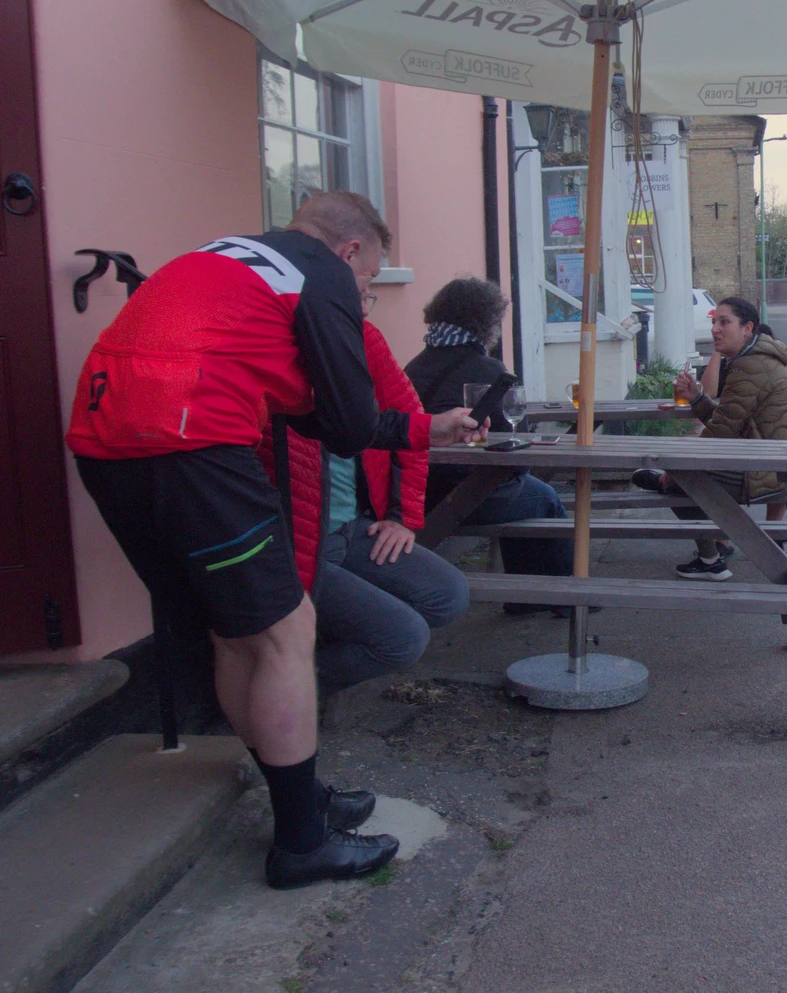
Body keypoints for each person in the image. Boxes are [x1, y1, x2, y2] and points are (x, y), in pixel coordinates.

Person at [66, 192, 482, 890]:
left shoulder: (217, 255)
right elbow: (348, 424)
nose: (364, 297)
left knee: (237, 636)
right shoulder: (313, 275)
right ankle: (301, 845)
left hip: (104, 444)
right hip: (192, 445)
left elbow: (304, 406)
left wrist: (411, 430)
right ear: (348, 251)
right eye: (370, 281)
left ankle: (301, 801)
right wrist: (415, 427)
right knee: (288, 631)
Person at [260, 292, 469, 705]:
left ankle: (302, 675)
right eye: (355, 293)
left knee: (448, 595)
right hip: (293, 543)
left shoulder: (366, 341)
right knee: (404, 637)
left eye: (369, 291)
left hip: (354, 526)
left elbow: (413, 427)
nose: (367, 306)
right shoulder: (269, 349)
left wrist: (401, 515)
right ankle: (274, 698)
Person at [404, 278, 574, 593]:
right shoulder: (487, 370)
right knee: (544, 498)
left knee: (522, 489)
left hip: (413, 493)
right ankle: (567, 598)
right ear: (487, 322)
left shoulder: (413, 365)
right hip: (459, 495)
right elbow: (517, 450)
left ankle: (524, 597)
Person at [652, 296, 787, 581]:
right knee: (680, 474)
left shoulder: (751, 366)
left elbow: (722, 432)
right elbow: (729, 421)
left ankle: (710, 560)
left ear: (747, 328)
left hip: (776, 470)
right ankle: (710, 549)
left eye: (724, 322)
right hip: (781, 463)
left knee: (683, 480)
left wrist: (679, 468)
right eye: (714, 322)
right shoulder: (752, 360)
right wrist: (698, 398)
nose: (715, 328)